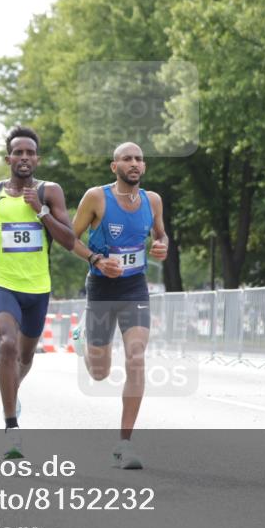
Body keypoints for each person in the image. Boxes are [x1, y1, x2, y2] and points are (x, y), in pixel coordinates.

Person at [0, 126, 75, 459]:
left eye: (30, 153)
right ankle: (11, 426)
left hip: (38, 289)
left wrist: (41, 212)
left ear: (37, 158)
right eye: (18, 152)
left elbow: (69, 239)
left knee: (25, 358)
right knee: (7, 345)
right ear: (9, 157)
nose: (24, 158)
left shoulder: (50, 192)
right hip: (3, 284)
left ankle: (11, 394)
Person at [68, 142, 168, 469]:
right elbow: (71, 237)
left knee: (136, 357)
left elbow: (161, 236)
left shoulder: (153, 201)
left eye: (139, 158)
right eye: (127, 159)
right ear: (115, 167)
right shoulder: (96, 197)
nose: (134, 163)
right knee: (99, 373)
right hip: (101, 286)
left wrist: (161, 246)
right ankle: (84, 339)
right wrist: (96, 258)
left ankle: (124, 443)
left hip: (134, 287)